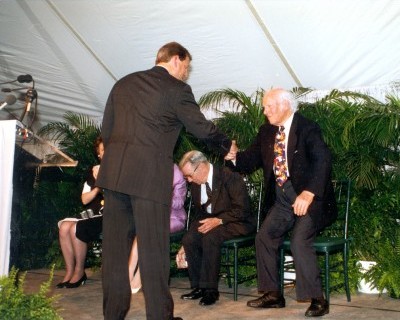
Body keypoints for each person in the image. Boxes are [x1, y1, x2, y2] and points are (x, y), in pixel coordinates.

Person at [96, 41, 232, 320]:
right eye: (186, 66)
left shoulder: (123, 83)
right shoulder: (177, 89)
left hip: (115, 177)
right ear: (175, 60)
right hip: (148, 180)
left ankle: (113, 316)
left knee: (114, 255)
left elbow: (106, 131)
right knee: (153, 252)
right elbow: (199, 126)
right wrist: (226, 144)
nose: (186, 72)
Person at [225, 88, 337, 318]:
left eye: (269, 106)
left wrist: (308, 193)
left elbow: (323, 160)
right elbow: (250, 160)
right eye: (264, 107)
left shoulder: (307, 128)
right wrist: (234, 157)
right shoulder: (266, 132)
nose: (265, 111)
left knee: (299, 240)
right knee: (264, 237)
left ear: (285, 105)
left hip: (309, 200)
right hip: (283, 201)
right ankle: (273, 295)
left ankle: (318, 299)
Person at [176, 150, 255, 306]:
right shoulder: (197, 185)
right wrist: (184, 245)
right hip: (214, 223)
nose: (190, 180)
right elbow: (199, 216)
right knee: (189, 238)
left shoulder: (229, 176)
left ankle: (211, 290)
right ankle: (199, 286)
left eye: (190, 176)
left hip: (237, 222)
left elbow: (242, 209)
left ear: (200, 167)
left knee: (211, 237)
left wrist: (219, 220)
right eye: (187, 178)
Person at [128, 164, 187, 294]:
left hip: (174, 217)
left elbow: (179, 203)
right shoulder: (148, 168)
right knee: (143, 231)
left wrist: (163, 195)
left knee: (150, 230)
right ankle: (129, 271)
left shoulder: (175, 172)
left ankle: (140, 275)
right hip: (153, 217)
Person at [56, 136, 104, 289]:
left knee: (76, 228)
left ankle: (79, 271)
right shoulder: (93, 171)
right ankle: (69, 271)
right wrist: (97, 188)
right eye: (103, 150)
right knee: (64, 226)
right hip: (91, 212)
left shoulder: (118, 170)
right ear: (99, 154)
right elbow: (84, 199)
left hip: (107, 216)